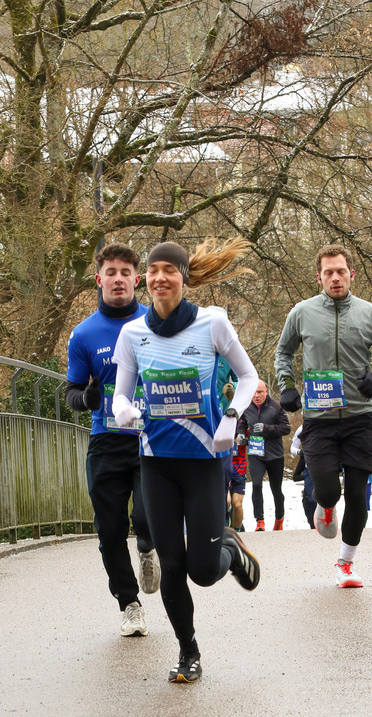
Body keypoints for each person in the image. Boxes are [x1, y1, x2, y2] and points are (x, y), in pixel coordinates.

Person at [112, 238, 260, 683]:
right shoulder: (132, 333)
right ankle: (187, 652)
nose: (160, 278)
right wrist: (122, 409)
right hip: (155, 463)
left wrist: (232, 416)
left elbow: (248, 376)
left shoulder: (212, 324)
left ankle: (229, 550)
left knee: (202, 570)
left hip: (201, 463)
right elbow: (121, 392)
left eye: (168, 270)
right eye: (153, 270)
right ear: (146, 279)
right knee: (172, 567)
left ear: (183, 277)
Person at [275, 244, 372, 587]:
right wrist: (287, 385)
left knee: (359, 495)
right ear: (319, 277)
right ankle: (325, 506)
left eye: (341, 271)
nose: (335, 278)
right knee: (329, 490)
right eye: (328, 272)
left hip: (360, 417)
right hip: (318, 418)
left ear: (351, 274)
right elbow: (283, 353)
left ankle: (345, 564)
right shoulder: (301, 313)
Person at [66, 242, 160, 638]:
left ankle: (148, 546)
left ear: (137, 279)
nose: (118, 279)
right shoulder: (84, 334)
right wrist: (86, 396)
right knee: (109, 529)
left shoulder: (156, 321)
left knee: (145, 515)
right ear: (98, 279)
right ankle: (129, 604)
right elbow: (71, 393)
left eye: (126, 272)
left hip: (151, 436)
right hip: (106, 439)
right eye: (111, 271)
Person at [241, 380, 290, 530]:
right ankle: (259, 521)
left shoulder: (276, 407)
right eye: (254, 393)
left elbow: (286, 428)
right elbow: (242, 423)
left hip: (274, 455)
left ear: (266, 392)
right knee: (256, 485)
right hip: (256, 453)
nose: (256, 396)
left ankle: (279, 518)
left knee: (276, 489)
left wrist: (266, 428)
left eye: (260, 392)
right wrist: (241, 434)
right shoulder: (246, 407)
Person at [291, 426, 315, 528]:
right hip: (308, 468)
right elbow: (293, 447)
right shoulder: (302, 428)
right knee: (312, 500)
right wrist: (300, 452)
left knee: (326, 498)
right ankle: (313, 525)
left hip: (325, 466)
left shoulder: (329, 422)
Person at [225, 426, 248, 530]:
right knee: (227, 501)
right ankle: (225, 525)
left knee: (237, 504)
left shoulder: (242, 425)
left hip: (239, 470)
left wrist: (246, 440)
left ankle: (238, 531)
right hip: (223, 468)